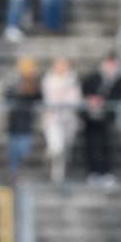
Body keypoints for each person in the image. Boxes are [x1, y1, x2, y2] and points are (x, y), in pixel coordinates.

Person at [80, 53, 121, 185]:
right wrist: (91, 99)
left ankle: (106, 172)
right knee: (91, 144)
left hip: (106, 117)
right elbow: (85, 89)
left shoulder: (119, 80)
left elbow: (119, 95)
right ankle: (93, 172)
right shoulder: (93, 77)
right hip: (90, 117)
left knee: (105, 145)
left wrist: (103, 101)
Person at [41, 55, 80, 183]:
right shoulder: (48, 80)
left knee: (64, 149)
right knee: (56, 147)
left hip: (68, 118)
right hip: (53, 119)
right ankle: (49, 164)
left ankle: (58, 176)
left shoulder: (72, 79)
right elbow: (48, 100)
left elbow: (75, 99)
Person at [6, 57, 42, 175]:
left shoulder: (34, 83)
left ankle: (18, 171)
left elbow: (38, 97)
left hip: (27, 121)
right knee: (14, 149)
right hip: (15, 120)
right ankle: (13, 172)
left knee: (24, 148)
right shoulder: (14, 81)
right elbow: (8, 96)